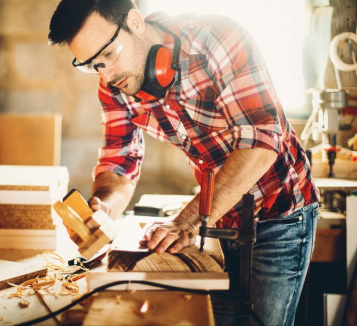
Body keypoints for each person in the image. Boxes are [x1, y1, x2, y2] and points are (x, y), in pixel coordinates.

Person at [48, 1, 320, 325]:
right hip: (221, 220)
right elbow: (119, 163)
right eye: (92, 65)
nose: (106, 74)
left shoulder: (216, 41)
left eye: (109, 55)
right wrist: (103, 208)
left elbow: (261, 144)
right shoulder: (115, 85)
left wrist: (186, 221)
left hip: (282, 212)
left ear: (135, 22)